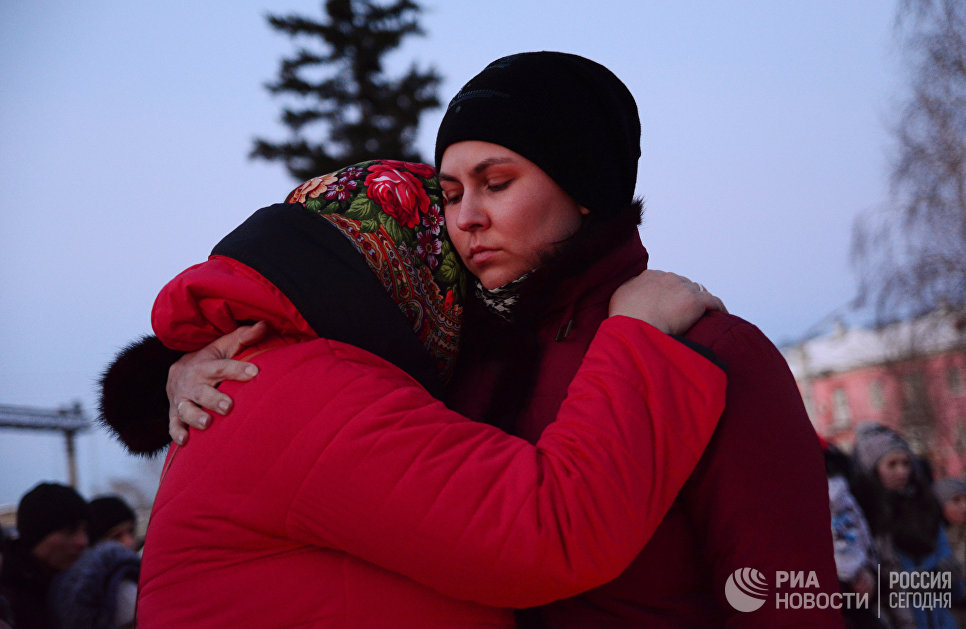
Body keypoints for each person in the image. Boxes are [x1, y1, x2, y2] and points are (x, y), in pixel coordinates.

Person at [107, 51, 843, 627]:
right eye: (451, 195)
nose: (466, 219)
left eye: (495, 182)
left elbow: (786, 596)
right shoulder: (462, 369)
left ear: (583, 185)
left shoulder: (712, 350)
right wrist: (175, 368)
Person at [103, 159, 726, 626]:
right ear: (410, 278)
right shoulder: (314, 391)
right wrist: (640, 336)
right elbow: (548, 530)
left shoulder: (271, 375)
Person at [852, 422, 962, 629]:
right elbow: (875, 589)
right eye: (892, 464)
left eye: (906, 463)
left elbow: (953, 588)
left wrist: (950, 576)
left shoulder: (927, 510)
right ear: (872, 469)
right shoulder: (865, 521)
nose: (902, 471)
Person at [0, 482, 89, 629]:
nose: (83, 542)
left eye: (85, 530)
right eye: (70, 531)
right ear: (37, 535)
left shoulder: (84, 590)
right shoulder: (8, 602)